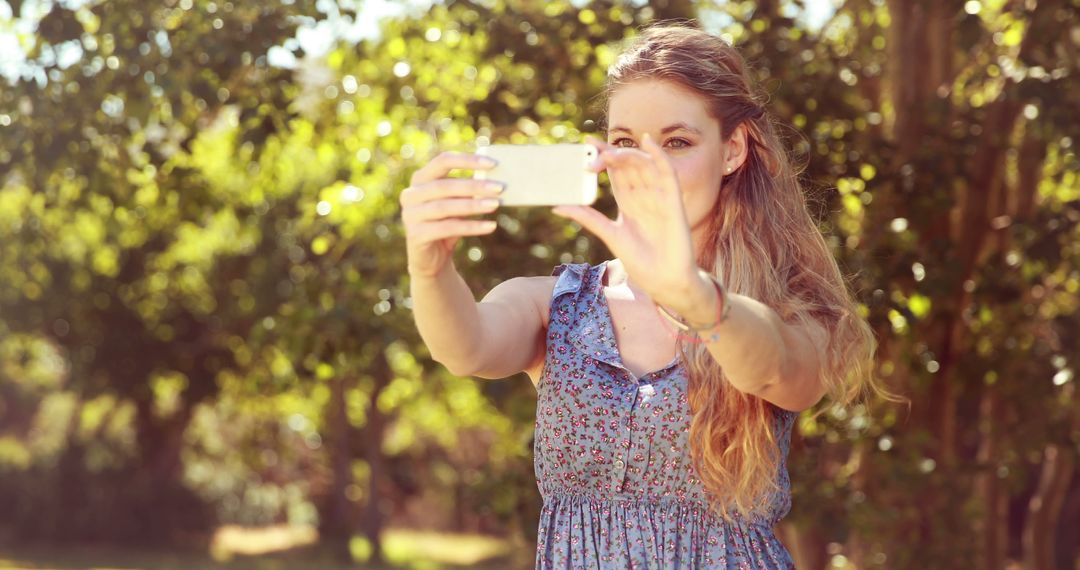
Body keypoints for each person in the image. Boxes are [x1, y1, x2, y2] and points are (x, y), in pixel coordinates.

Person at [402, 22, 888, 569]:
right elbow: (466, 348)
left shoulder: (783, 307)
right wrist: (428, 267)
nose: (644, 165)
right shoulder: (558, 303)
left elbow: (776, 369)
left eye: (676, 142)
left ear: (732, 151)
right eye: (626, 142)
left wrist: (694, 297)